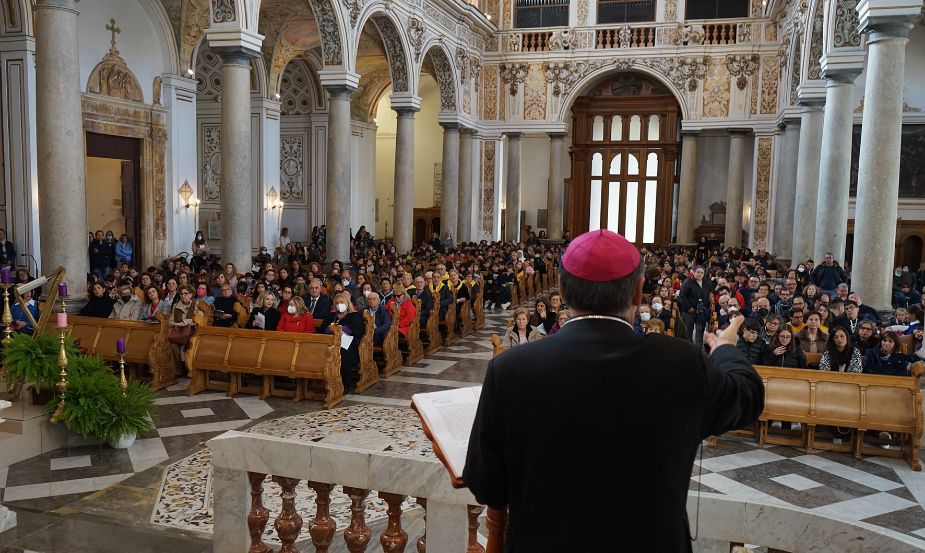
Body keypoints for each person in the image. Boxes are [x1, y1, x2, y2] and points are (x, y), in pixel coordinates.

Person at [464, 229, 763, 553]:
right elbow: (749, 396)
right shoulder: (681, 363)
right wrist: (724, 349)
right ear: (637, 293)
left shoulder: (510, 369)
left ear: (562, 289)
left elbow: (487, 485)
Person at [327, 291, 365, 394]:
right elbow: (323, 328)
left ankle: (345, 384)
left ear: (347, 303)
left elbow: (357, 331)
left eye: (342, 302)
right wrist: (332, 329)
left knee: (343, 354)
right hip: (330, 343)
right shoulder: (332, 316)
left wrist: (339, 328)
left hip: (348, 345)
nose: (340, 305)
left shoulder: (354, 316)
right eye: (337, 303)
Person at [168, 285, 203, 375]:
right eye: (181, 293)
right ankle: (176, 371)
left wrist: (186, 322)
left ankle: (190, 371)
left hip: (192, 332)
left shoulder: (197, 305)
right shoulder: (176, 305)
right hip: (179, 332)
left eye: (186, 293)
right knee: (173, 345)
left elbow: (200, 320)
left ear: (191, 295)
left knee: (191, 343)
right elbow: (170, 321)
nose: (183, 296)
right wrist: (176, 324)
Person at [678, 265, 713, 345]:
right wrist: (689, 307)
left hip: (701, 309)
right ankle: (689, 347)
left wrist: (711, 294)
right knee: (689, 329)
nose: (700, 274)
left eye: (702, 273)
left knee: (700, 330)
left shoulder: (706, 282)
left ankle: (699, 349)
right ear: (693, 272)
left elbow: (711, 290)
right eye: (698, 272)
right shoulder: (687, 281)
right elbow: (682, 295)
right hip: (689, 310)